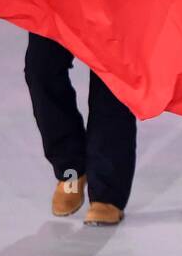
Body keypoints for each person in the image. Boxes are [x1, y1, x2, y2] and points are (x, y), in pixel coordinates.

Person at [24, 32, 137, 226]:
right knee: (41, 68)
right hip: (60, 0)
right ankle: (70, 169)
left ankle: (106, 192)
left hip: (118, 3)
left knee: (111, 77)